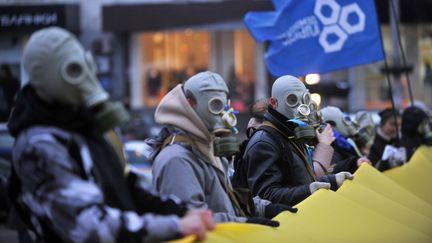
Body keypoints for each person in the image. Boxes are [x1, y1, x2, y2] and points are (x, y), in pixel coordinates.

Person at [7, 27, 214, 242]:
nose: (86, 77)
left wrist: (181, 211)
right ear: (43, 77)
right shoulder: (39, 143)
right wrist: (176, 225)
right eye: (74, 70)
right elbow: (88, 225)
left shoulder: (81, 127)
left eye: (87, 66)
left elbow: (122, 185)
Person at [149, 71, 295, 226]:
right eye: (215, 105)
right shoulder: (177, 160)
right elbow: (192, 222)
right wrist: (244, 223)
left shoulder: (207, 148)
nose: (222, 114)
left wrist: (264, 209)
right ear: (190, 103)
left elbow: (225, 202)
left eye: (224, 106)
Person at [238, 75, 353, 207]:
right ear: (274, 102)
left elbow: (300, 181)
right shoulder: (264, 142)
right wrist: (309, 190)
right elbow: (266, 196)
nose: (300, 107)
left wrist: (332, 180)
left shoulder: (289, 135)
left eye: (304, 99)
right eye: (292, 100)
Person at [319, 106, 371, 175]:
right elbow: (333, 170)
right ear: (330, 125)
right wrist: (354, 163)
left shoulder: (346, 143)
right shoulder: (330, 148)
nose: (348, 124)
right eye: (345, 120)